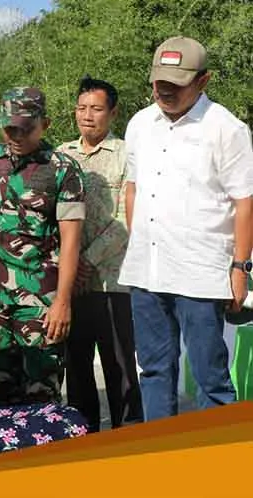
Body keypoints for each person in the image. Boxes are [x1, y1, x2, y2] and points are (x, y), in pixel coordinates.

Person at [119, 36, 253, 420]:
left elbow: (245, 201)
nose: (164, 91)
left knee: (210, 378)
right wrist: (138, 241)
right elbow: (133, 188)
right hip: (147, 272)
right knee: (154, 371)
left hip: (201, 275)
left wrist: (240, 268)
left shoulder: (226, 129)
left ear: (203, 80)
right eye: (159, 82)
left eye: (176, 84)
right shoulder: (140, 124)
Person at [0, 87, 85, 407]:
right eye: (10, 128)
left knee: (42, 396)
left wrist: (62, 302)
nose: (17, 136)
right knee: (3, 393)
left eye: (26, 128)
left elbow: (71, 242)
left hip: (40, 303)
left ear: (45, 124)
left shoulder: (62, 169)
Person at [58, 77, 143, 432]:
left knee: (120, 367)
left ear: (113, 112)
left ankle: (129, 438)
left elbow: (126, 218)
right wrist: (70, 267)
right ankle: (84, 436)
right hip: (72, 286)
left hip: (113, 282)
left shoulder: (128, 154)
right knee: (76, 369)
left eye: (96, 108)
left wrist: (86, 261)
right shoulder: (61, 155)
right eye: (81, 108)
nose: (87, 116)